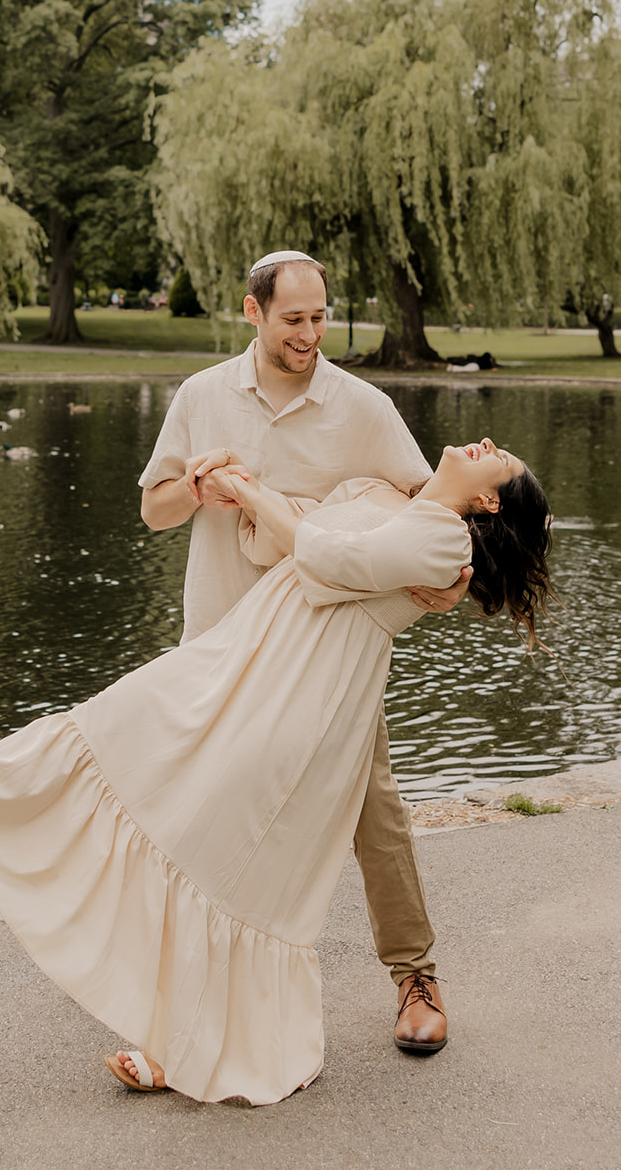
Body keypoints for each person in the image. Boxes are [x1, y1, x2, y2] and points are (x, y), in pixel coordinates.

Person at [0, 435, 553, 1105]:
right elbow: (286, 538)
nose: (484, 445)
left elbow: (323, 556)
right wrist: (234, 485)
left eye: (499, 461)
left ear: (488, 505)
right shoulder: (379, 494)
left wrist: (252, 490)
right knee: (104, 727)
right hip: (242, 655)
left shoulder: (442, 537)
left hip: (299, 688)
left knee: (223, 860)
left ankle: (182, 1045)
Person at [138, 251, 467, 1053]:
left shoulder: (360, 407)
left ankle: (414, 979)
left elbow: (430, 515)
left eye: (320, 316)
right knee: (197, 820)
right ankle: (177, 997)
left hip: (328, 660)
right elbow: (153, 511)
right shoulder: (201, 397)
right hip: (220, 646)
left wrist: (449, 583)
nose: (311, 333)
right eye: (294, 319)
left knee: (375, 817)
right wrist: (199, 490)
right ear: (251, 313)